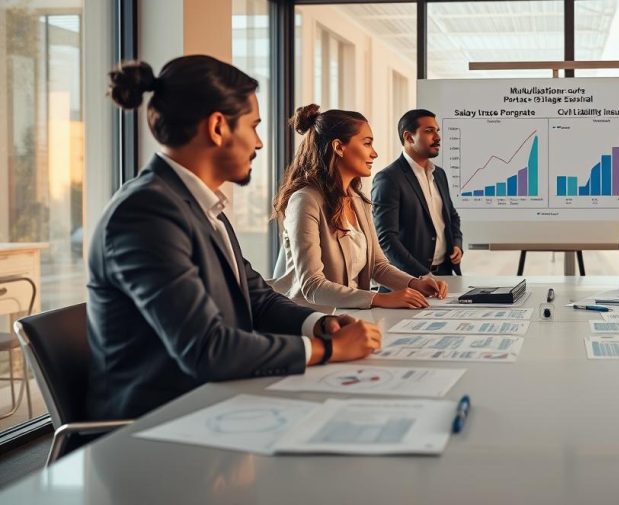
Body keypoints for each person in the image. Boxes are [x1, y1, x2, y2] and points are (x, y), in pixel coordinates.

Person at [88, 56, 380, 421]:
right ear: (216, 127)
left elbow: (256, 298)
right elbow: (207, 349)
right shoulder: (146, 214)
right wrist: (324, 349)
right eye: (254, 126)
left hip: (219, 401)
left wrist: (319, 324)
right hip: (163, 424)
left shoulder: (202, 206)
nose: (258, 143)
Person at [270, 105, 448, 311]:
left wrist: (415, 283)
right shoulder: (305, 200)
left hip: (349, 316)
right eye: (367, 144)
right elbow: (312, 285)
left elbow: (377, 265)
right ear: (338, 147)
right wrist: (380, 299)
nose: (374, 154)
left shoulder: (357, 200)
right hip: (308, 320)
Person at [371, 109, 464, 277]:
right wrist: (422, 275)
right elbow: (386, 239)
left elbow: (452, 216)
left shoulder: (439, 174)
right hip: (409, 280)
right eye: (429, 131)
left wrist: (456, 244)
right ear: (408, 137)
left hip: (445, 274)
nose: (437, 137)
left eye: (437, 131)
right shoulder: (388, 179)